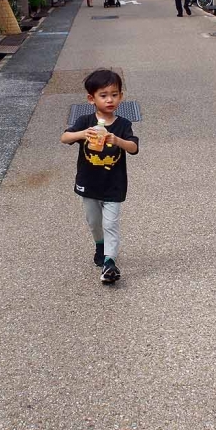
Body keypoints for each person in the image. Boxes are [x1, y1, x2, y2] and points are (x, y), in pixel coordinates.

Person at [60, 69, 139, 285]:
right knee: (95, 222)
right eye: (103, 95)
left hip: (113, 184)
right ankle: (100, 245)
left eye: (114, 94)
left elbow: (133, 147)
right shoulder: (85, 121)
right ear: (91, 98)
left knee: (111, 223)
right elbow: (64, 137)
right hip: (88, 182)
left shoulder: (122, 124)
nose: (110, 99)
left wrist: (117, 140)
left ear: (121, 96)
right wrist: (82, 133)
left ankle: (109, 262)